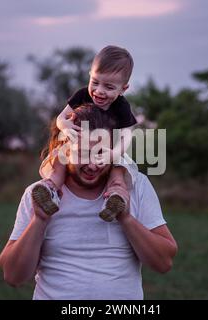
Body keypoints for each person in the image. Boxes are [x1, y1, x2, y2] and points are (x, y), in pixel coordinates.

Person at [0, 104, 177, 300]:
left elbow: (164, 263)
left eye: (101, 153)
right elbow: (13, 276)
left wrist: (126, 218)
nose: (93, 165)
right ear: (65, 149)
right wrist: (39, 220)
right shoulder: (39, 194)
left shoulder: (136, 186)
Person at [33, 45, 138, 222]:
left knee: (117, 172)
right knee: (60, 159)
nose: (99, 91)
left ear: (123, 89)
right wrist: (65, 126)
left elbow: (127, 135)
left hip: (109, 151)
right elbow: (60, 118)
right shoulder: (82, 95)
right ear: (90, 74)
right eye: (95, 82)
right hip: (78, 146)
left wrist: (114, 154)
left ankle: (115, 199)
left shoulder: (122, 106)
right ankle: (50, 189)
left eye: (109, 87)